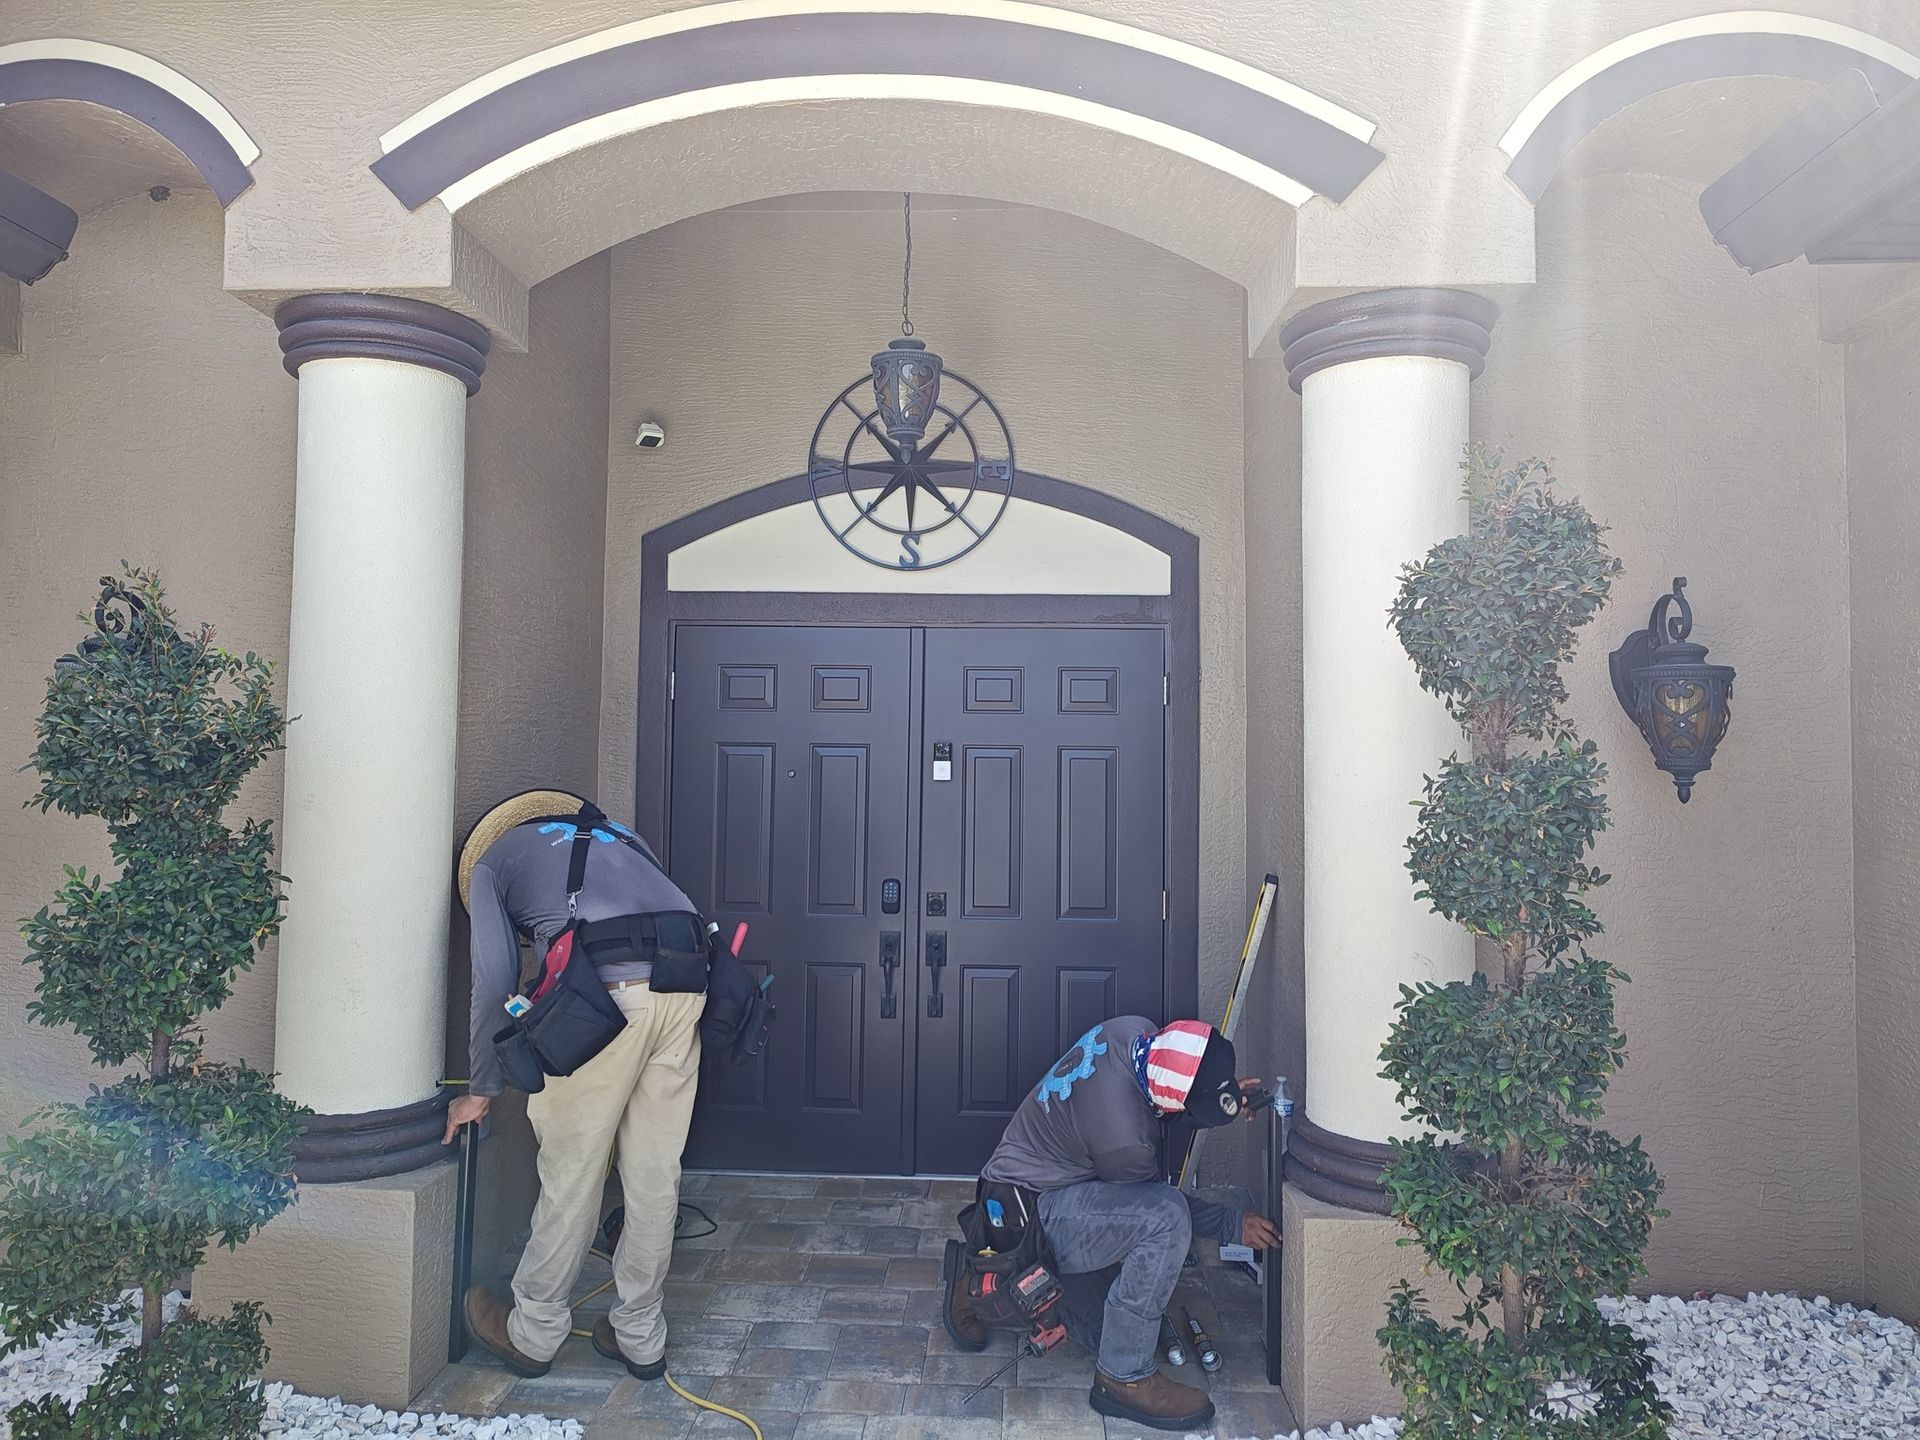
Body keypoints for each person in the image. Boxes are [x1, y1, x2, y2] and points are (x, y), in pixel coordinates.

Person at [442, 790, 707, 1384]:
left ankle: (532, 1334)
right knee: (654, 1170)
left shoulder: (492, 864)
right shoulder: (623, 839)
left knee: (573, 1169)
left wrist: (481, 1089)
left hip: (608, 998)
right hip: (687, 982)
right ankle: (640, 1335)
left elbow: (494, 979)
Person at [956, 1016, 1281, 1431]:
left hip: (1019, 1185)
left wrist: (1221, 1096)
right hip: (1030, 1221)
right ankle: (1123, 1377)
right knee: (1164, 1221)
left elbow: (1163, 1097)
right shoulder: (1126, 1140)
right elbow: (1154, 1207)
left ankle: (975, 1264)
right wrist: (1232, 1223)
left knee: (1097, 1328)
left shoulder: (1132, 1031)